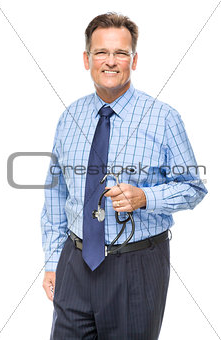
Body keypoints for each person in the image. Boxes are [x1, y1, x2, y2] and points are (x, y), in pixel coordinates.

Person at [41, 12, 207, 340]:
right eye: (102, 52)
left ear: (134, 60)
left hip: (136, 266)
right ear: (87, 59)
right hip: (74, 263)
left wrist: (146, 197)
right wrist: (51, 259)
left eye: (121, 53)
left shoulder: (163, 118)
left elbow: (193, 187)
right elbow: (55, 194)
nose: (111, 61)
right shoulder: (70, 115)